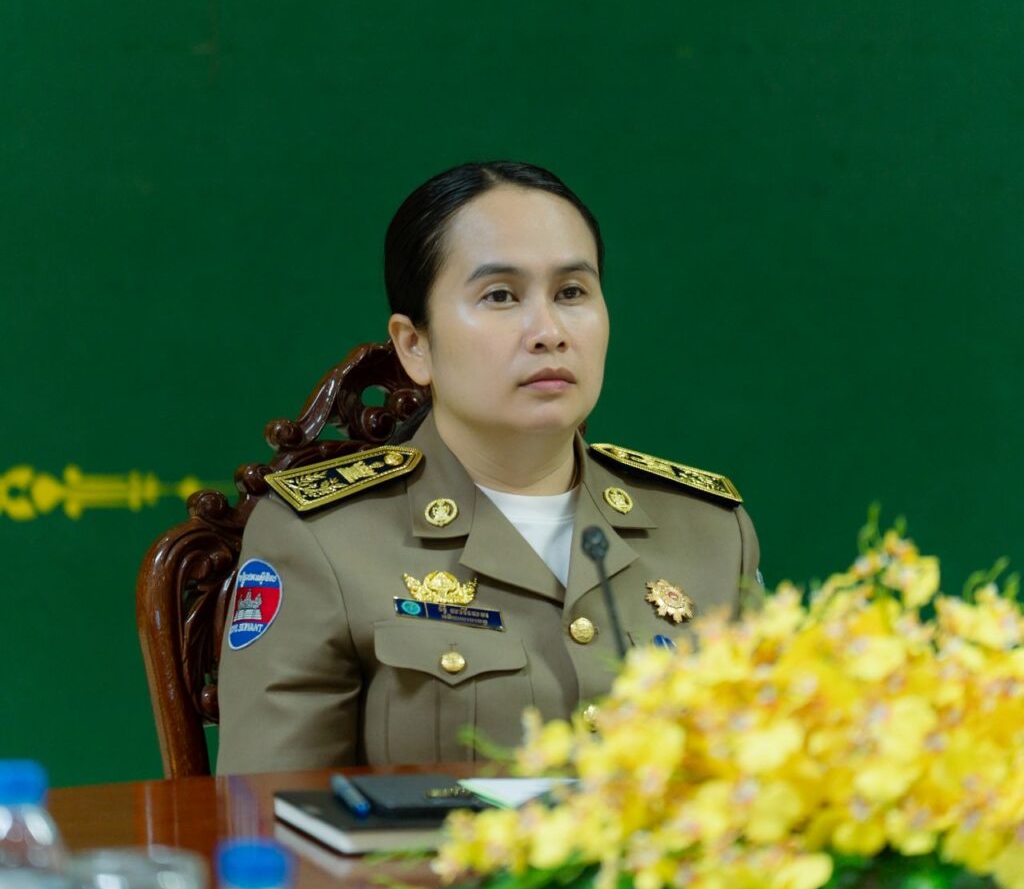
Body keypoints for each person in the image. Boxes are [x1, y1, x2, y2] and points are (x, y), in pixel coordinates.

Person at [216, 162, 760, 774]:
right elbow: (268, 812)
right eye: (500, 295)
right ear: (415, 345)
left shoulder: (711, 532)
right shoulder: (321, 540)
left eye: (572, 293)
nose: (549, 332)